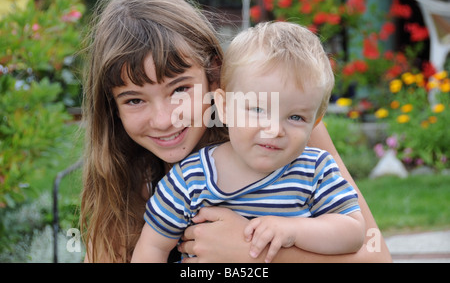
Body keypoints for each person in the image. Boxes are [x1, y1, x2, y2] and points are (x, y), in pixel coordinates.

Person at [80, 0, 392, 263]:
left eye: (179, 89)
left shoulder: (284, 127)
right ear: (113, 108)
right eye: (134, 100)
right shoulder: (124, 178)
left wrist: (257, 255)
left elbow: (375, 257)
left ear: (214, 75)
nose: (163, 119)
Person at [131, 21, 366, 263]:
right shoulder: (190, 179)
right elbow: (153, 247)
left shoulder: (314, 170)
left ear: (315, 122)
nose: (275, 129)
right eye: (257, 109)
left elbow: (353, 231)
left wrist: (293, 231)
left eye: (296, 117)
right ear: (223, 106)